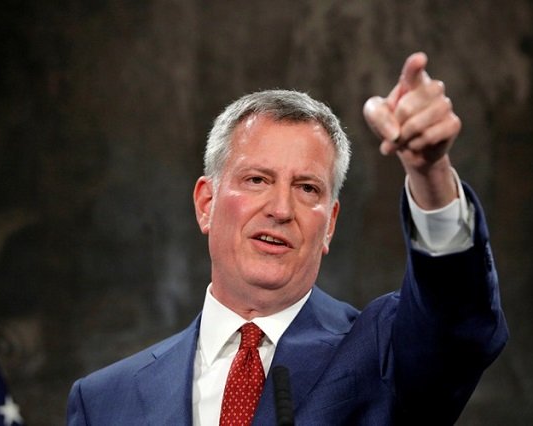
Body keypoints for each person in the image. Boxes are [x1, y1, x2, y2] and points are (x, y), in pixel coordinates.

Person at [66, 52, 508, 425]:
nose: (280, 209)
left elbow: (456, 321)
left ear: (330, 224)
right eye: (257, 179)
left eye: (307, 188)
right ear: (206, 204)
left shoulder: (381, 353)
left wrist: (429, 173)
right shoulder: (104, 401)